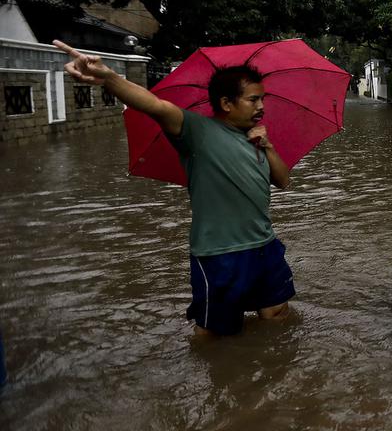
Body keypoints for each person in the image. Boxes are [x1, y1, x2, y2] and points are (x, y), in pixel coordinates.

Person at [54, 40, 295, 336]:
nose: (261, 107)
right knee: (216, 334)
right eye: (253, 100)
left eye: (262, 99)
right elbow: (153, 104)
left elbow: (283, 181)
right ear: (226, 103)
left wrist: (268, 146)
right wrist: (109, 78)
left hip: (264, 246)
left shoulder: (256, 138)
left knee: (277, 314)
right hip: (220, 254)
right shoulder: (197, 131)